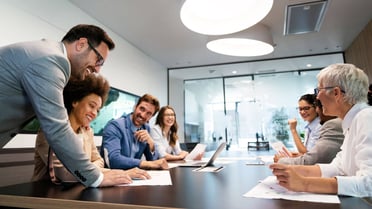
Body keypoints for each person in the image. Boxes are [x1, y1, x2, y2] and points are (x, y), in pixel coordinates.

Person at [0, 24, 145, 187]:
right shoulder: (52, 61)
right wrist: (97, 178)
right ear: (81, 44)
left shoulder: (47, 53)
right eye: (99, 60)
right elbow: (57, 129)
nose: (97, 69)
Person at [270, 63, 372, 197]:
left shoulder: (366, 117)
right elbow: (338, 168)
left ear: (336, 93)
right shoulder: (353, 120)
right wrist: (290, 169)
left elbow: (369, 184)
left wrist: (303, 183)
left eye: (319, 90)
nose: (317, 97)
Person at [31, 74, 149, 183]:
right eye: (91, 106)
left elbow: (99, 161)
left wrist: (88, 169)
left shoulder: (87, 132)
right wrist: (120, 173)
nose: (94, 113)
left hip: (80, 189)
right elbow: (64, 174)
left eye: (97, 110)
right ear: (75, 101)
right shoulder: (50, 131)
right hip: (47, 195)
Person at [101, 94, 168, 170]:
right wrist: (144, 163)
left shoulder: (146, 128)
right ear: (135, 107)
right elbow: (113, 160)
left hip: (133, 176)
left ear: (151, 117)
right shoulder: (115, 126)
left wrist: (151, 144)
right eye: (142, 109)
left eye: (148, 113)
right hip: (113, 176)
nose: (143, 115)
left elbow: (153, 161)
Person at [274, 99, 344, 165]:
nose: (302, 112)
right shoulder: (309, 127)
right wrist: (298, 156)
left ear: (316, 108)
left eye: (306, 108)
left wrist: (293, 130)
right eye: (300, 109)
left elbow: (310, 158)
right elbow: (309, 154)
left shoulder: (324, 126)